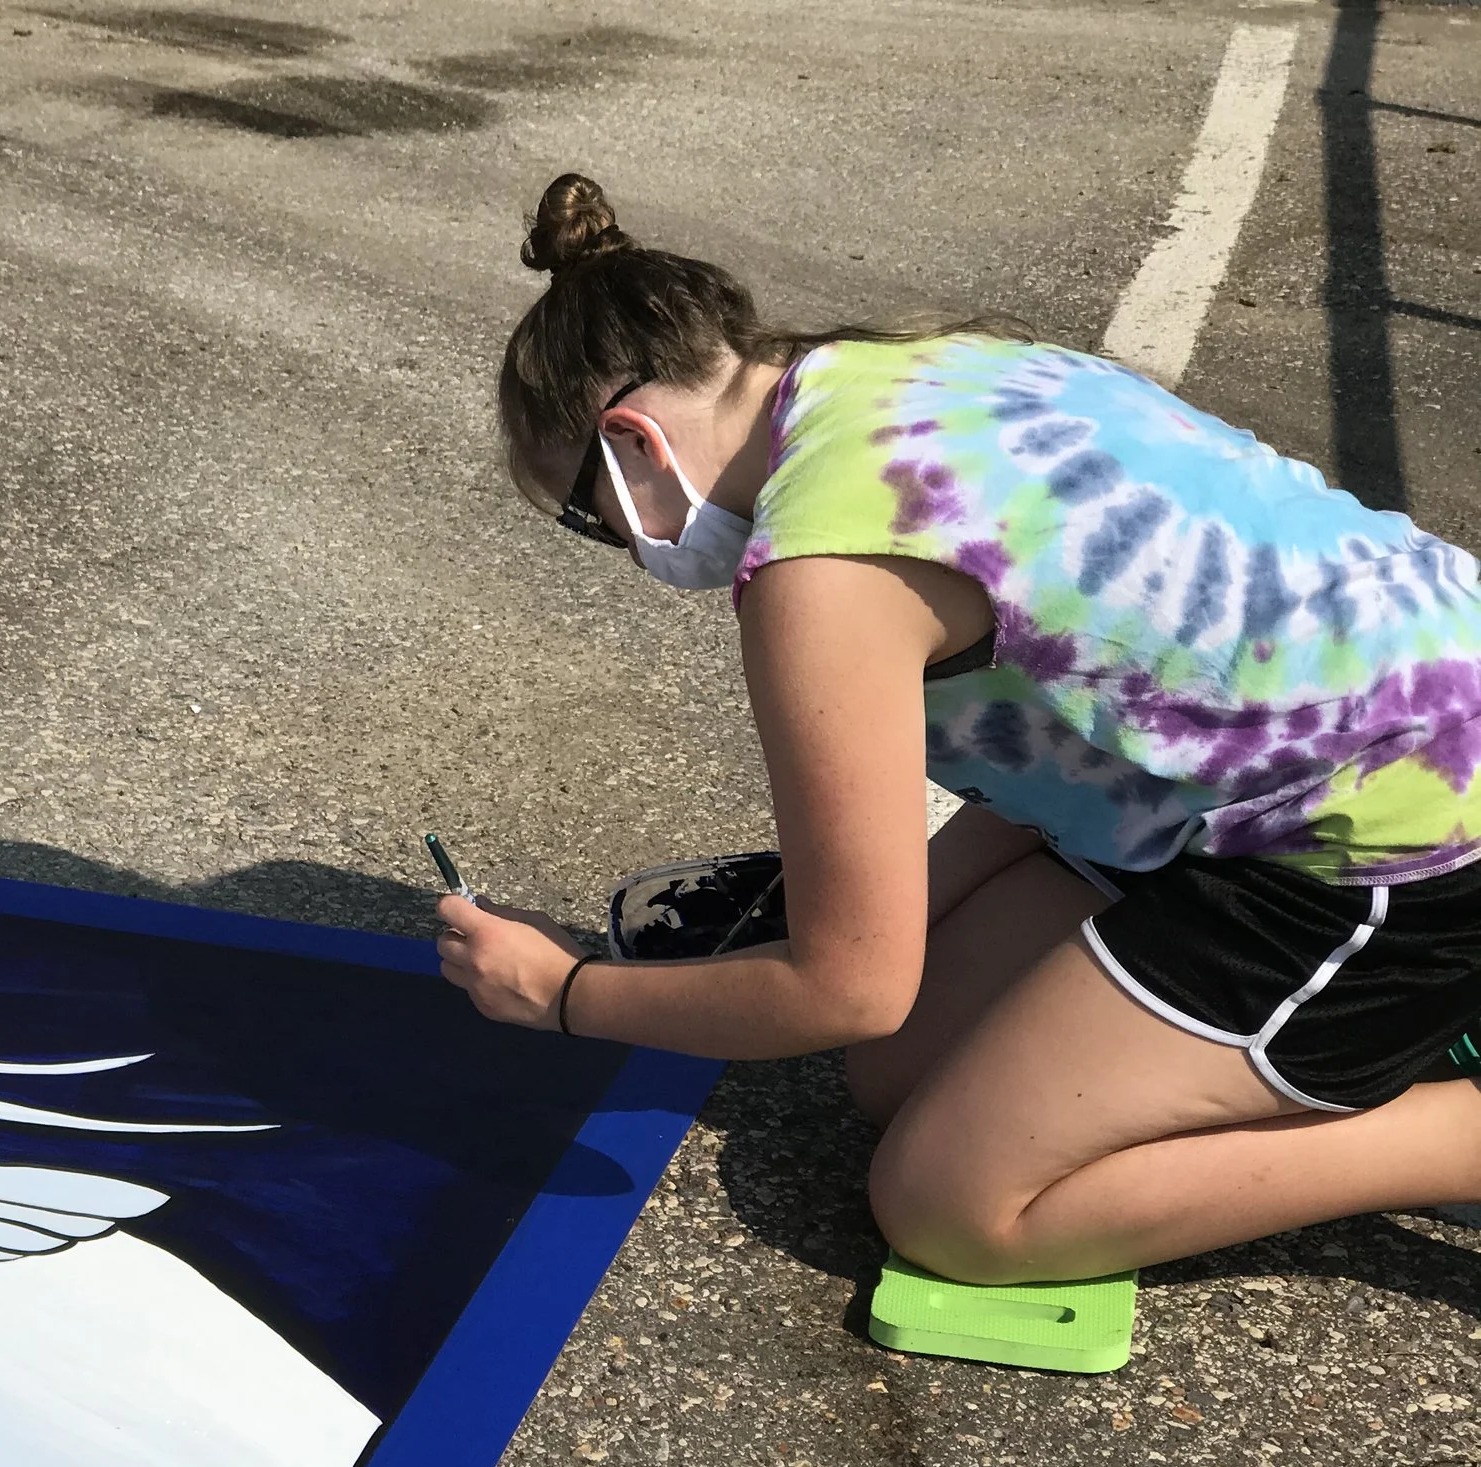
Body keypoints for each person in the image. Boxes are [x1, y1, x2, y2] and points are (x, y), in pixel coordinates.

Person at [439, 172, 1481, 1286]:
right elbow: (1058, 741)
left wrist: (564, 997)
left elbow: (844, 988)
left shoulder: (820, 574)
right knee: (895, 1076)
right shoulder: (898, 369)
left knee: (949, 1206)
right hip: (1323, 736)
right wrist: (836, 920)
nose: (630, 558)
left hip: (1405, 829)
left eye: (587, 523)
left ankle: (1452, 1125)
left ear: (634, 446)